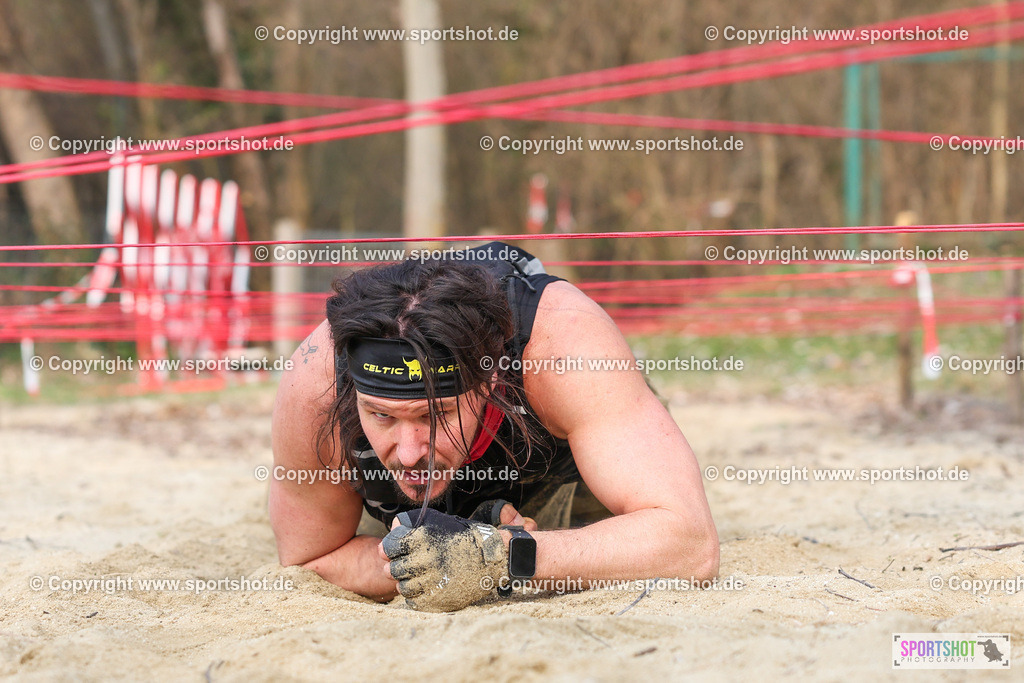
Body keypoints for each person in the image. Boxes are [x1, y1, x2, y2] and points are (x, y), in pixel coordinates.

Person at [269, 241, 718, 612]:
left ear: (491, 380)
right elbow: (311, 558)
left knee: (602, 512)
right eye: (382, 415)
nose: (407, 451)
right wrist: (419, 558)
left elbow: (689, 542)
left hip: (548, 465)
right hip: (465, 487)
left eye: (434, 415)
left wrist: (497, 555)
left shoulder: (562, 346)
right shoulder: (316, 383)